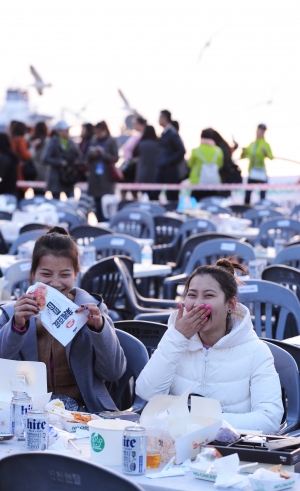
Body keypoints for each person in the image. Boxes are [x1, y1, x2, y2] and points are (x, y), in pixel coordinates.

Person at [136, 258, 283, 433]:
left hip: (232, 451)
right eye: (192, 295)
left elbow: (269, 419)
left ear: (230, 304)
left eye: (209, 295)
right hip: (175, 447)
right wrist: (177, 338)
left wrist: (200, 421)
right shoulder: (175, 342)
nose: (198, 304)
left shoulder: (256, 351)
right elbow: (147, 393)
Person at [0, 227, 126, 412]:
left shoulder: (92, 309)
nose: (56, 283)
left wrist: (99, 330)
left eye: (65, 275)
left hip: (83, 411)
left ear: (76, 274)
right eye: (46, 274)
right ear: (33, 273)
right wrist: (17, 327)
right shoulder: (12, 314)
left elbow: (113, 372)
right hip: (26, 411)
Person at [88, 121, 119, 222]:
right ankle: (99, 223)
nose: (98, 135)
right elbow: (87, 158)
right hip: (95, 178)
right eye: (96, 132)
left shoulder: (112, 141)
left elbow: (116, 158)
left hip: (106, 178)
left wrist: (103, 153)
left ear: (105, 131)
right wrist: (92, 155)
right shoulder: (94, 140)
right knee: (96, 204)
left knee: (105, 205)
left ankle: (106, 224)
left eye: (99, 132)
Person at [42, 120, 80, 200]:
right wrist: (60, 162)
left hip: (68, 178)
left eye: (67, 130)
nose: (67, 132)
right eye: (65, 130)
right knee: (56, 203)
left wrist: (74, 163)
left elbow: (78, 156)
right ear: (59, 131)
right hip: (56, 178)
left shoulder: (71, 143)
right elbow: (45, 158)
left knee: (72, 202)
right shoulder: (53, 142)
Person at [154, 110, 186, 201]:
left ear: (165, 118)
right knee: (155, 192)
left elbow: (181, 150)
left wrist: (168, 161)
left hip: (170, 170)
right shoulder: (166, 133)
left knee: (171, 195)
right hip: (163, 167)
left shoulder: (172, 133)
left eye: (160, 117)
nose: (158, 120)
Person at [241, 124, 274, 205]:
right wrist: (243, 151)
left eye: (263, 131)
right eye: (260, 130)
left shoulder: (266, 144)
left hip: (261, 173)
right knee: (247, 194)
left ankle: (262, 210)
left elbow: (271, 157)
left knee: (263, 195)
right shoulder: (252, 145)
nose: (262, 132)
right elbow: (242, 156)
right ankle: (247, 210)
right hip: (252, 173)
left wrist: (266, 152)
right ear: (257, 130)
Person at [188, 128, 224, 202]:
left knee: (195, 207)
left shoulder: (195, 150)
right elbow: (220, 165)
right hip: (213, 182)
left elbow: (190, 165)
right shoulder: (218, 151)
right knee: (212, 205)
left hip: (197, 183)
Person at [11, 121, 40, 200]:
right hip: (20, 171)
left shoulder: (12, 139)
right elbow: (25, 155)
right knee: (20, 194)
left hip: (14, 170)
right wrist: (32, 148)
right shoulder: (20, 140)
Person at [133, 125, 159, 191]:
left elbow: (134, 154)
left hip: (143, 171)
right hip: (155, 171)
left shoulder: (141, 144)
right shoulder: (158, 143)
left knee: (143, 193)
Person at [30, 121, 49, 196]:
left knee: (36, 196)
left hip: (34, 171)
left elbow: (31, 156)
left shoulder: (34, 141)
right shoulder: (47, 141)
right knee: (42, 196)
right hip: (44, 172)